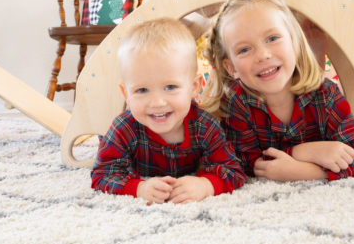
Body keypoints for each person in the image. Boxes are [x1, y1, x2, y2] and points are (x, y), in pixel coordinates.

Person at [201, 0, 354, 181]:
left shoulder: (326, 95)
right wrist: (302, 152)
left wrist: (308, 172)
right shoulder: (236, 102)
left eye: (272, 38)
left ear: (294, 42)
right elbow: (241, 163)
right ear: (231, 67)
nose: (263, 55)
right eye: (244, 49)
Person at [91, 18, 246, 204]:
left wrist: (205, 185)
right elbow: (102, 173)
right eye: (142, 90)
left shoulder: (205, 126)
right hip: (128, 157)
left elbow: (233, 169)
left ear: (194, 87)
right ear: (126, 93)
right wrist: (139, 188)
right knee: (106, 146)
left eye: (170, 87)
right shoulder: (124, 128)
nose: (157, 102)